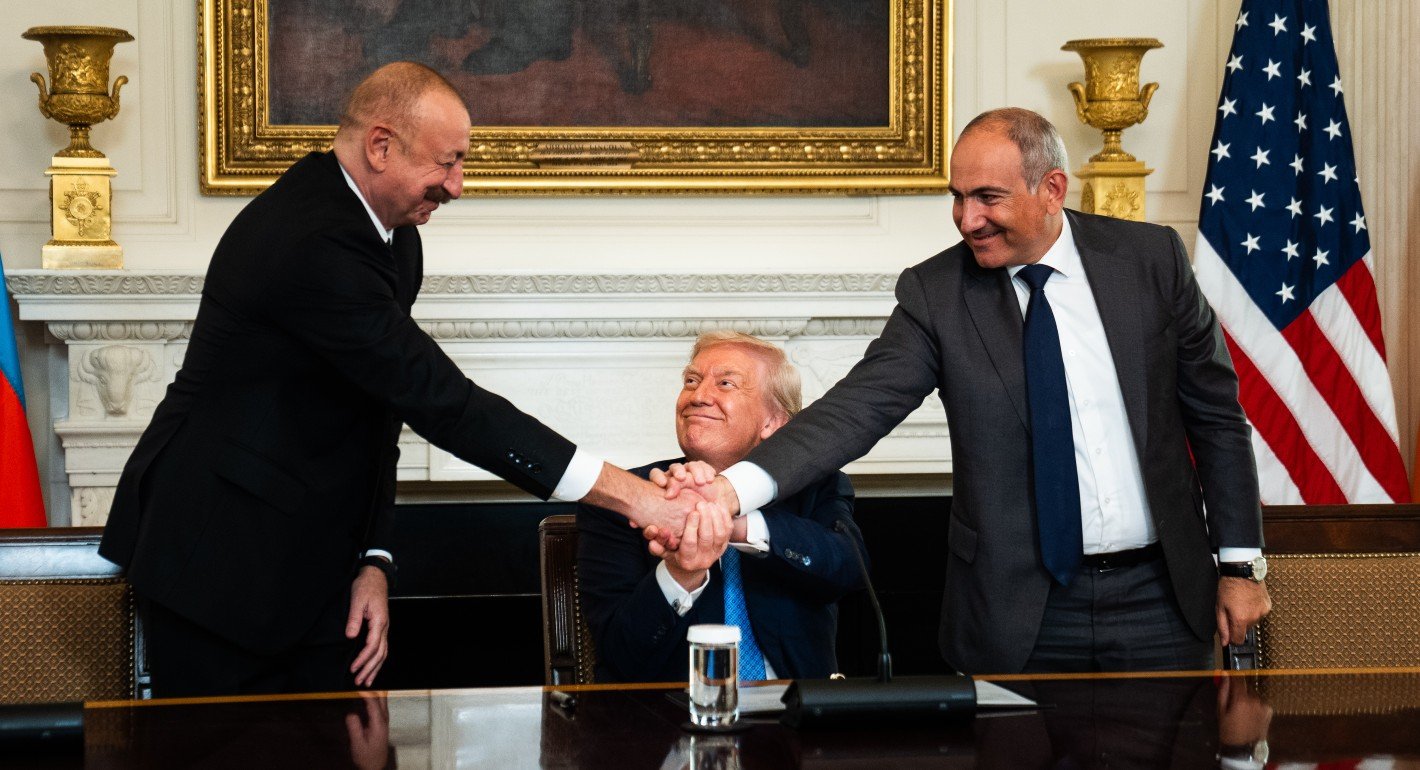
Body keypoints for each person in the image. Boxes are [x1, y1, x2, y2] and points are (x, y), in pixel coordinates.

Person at [99, 62, 692, 697]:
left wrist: (374, 559)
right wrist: (636, 498)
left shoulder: (394, 234)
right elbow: (446, 405)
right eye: (447, 162)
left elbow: (381, 410)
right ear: (380, 146)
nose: (457, 186)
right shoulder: (311, 240)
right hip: (217, 561)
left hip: (311, 564)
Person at [655, 108, 1272, 674]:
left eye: (988, 198)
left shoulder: (1151, 260)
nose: (967, 219)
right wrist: (729, 492)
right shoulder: (936, 294)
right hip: (1019, 611)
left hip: (1161, 600)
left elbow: (1217, 417)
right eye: (958, 197)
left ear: (1052, 189)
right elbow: (853, 411)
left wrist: (1241, 564)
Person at [578, 332, 864, 682]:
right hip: (669, 708)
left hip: (794, 706)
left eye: (726, 383)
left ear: (773, 423)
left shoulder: (815, 485)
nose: (698, 396)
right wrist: (680, 574)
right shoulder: (628, 496)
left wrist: (736, 523)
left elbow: (847, 569)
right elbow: (621, 656)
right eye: (691, 381)